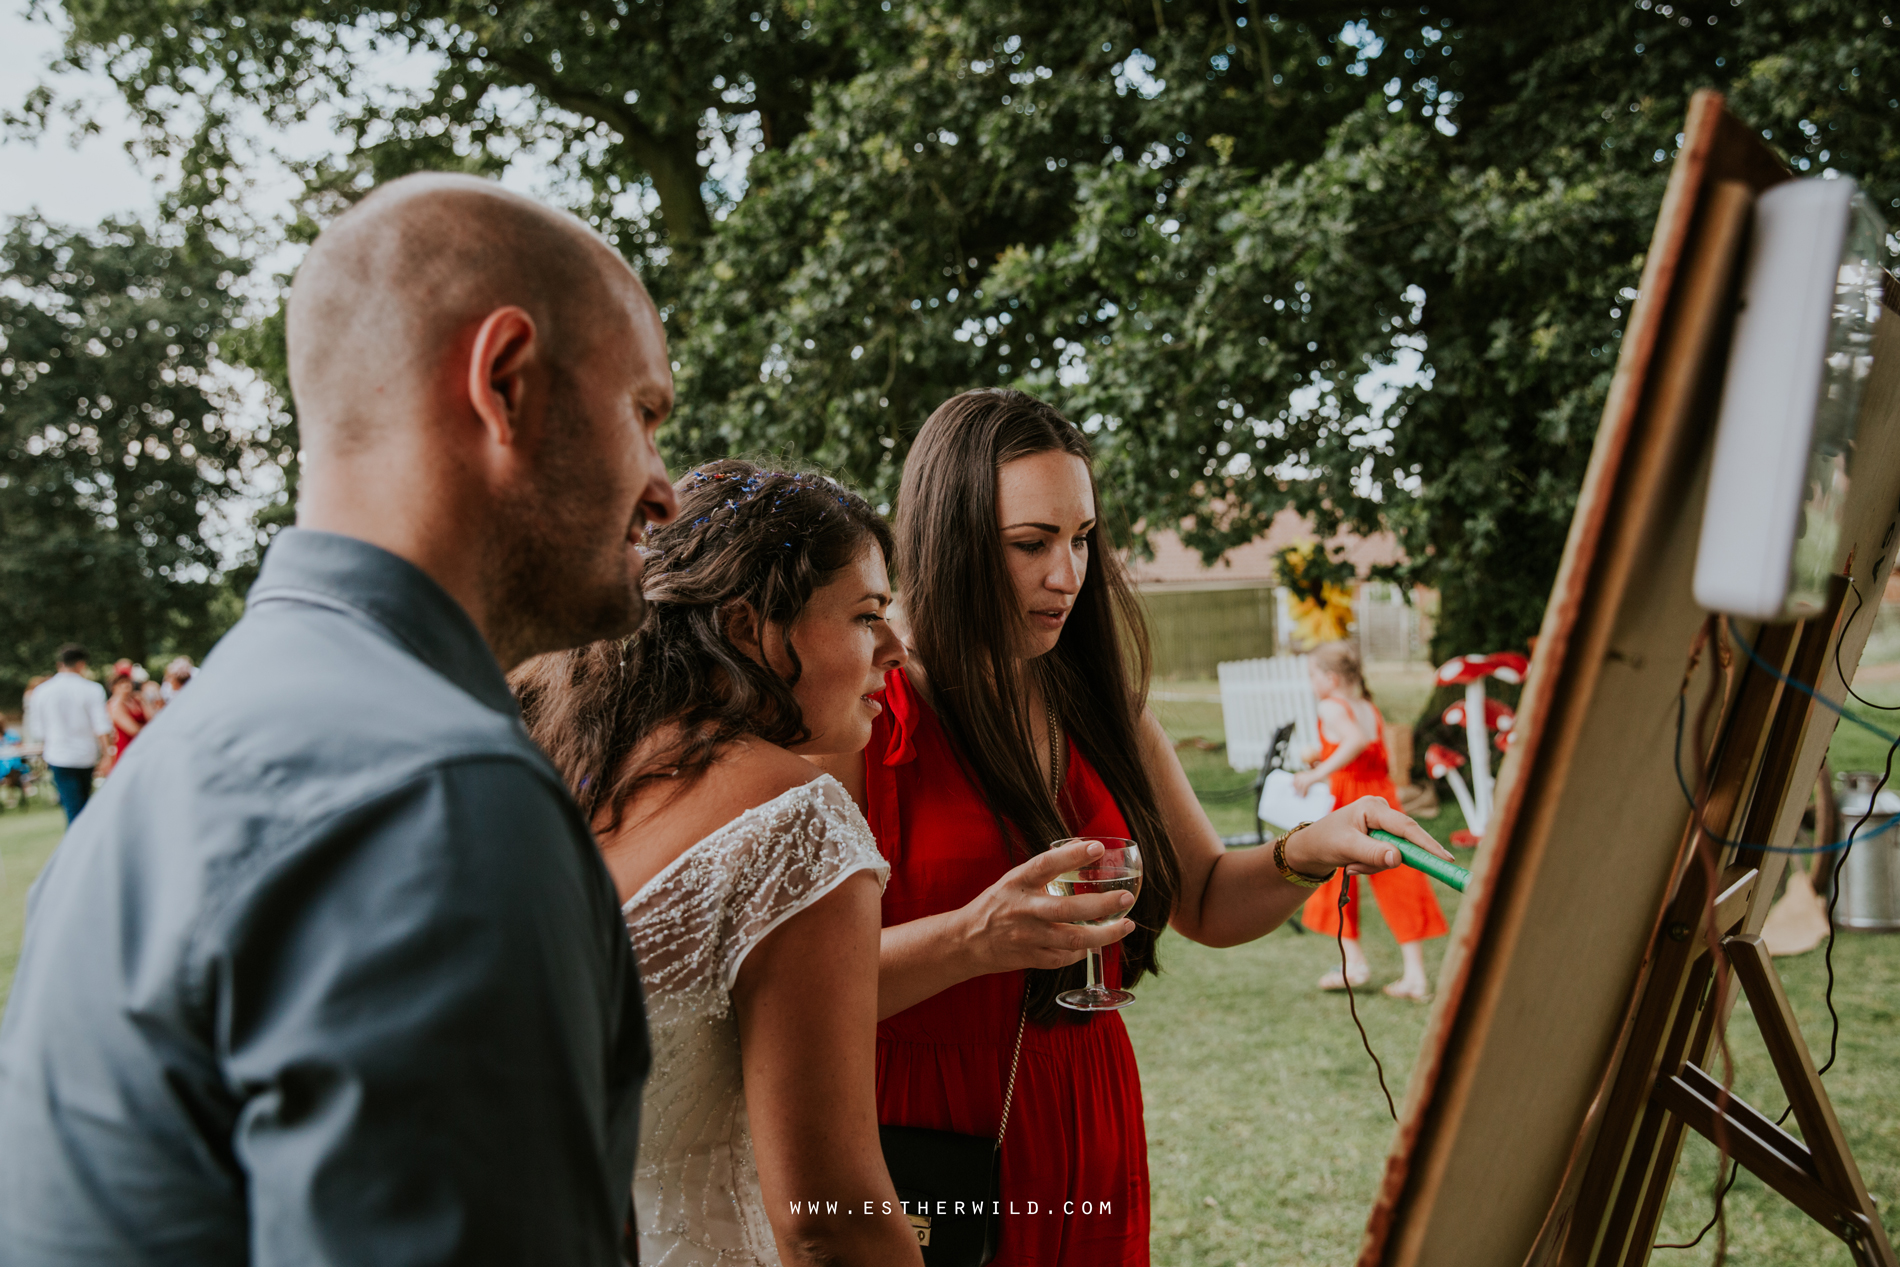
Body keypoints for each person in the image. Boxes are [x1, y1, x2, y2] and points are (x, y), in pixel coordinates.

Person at [0, 172, 678, 1266]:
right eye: (643, 413)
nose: (664, 488)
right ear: (506, 384)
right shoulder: (434, 795)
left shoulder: (187, 752)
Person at [812, 388, 1453, 1265]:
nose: (1068, 575)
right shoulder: (861, 716)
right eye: (1031, 544)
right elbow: (794, 988)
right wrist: (975, 938)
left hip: (1085, 1098)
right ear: (949, 540)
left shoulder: (1103, 710)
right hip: (921, 1123)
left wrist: (1309, 849)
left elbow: (1208, 901)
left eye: (1082, 539)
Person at [514, 461, 924, 1267]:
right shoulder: (795, 825)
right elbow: (828, 1220)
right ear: (747, 629)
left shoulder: (556, 775)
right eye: (866, 616)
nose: (894, 650)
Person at [1291, 640, 1448, 1000]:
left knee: (1332, 874)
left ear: (1330, 678)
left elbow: (1356, 742)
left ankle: (1355, 962)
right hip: (1382, 797)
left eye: (1312, 675)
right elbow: (1364, 748)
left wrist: (1316, 775)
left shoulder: (1331, 706)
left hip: (1350, 801)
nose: (1311, 682)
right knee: (1400, 878)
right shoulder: (1365, 704)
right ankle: (1415, 976)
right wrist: (1324, 757)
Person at [26, 646, 111, 823]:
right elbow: (101, 725)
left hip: (58, 754)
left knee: (73, 806)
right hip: (86, 754)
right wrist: (107, 754)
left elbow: (38, 730)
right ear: (81, 664)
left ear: (59, 664)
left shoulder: (42, 691)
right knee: (82, 804)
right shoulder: (92, 689)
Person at [105, 662, 148, 767]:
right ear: (114, 687)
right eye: (121, 683)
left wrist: (144, 702)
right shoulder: (114, 705)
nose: (126, 685)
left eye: (127, 682)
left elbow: (153, 718)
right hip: (126, 749)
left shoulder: (137, 700)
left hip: (143, 748)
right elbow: (133, 730)